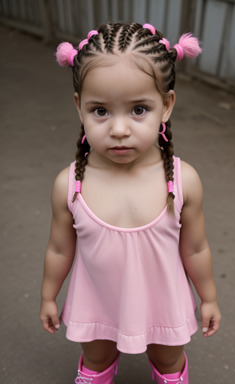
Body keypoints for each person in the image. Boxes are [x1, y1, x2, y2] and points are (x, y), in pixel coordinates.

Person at [40, 22, 221, 384]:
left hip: (162, 302)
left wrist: (209, 298)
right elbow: (60, 248)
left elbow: (196, 248)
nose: (119, 129)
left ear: (166, 106)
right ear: (80, 108)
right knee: (95, 357)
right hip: (97, 302)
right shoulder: (70, 184)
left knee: (169, 360)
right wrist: (48, 295)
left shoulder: (182, 181)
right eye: (101, 111)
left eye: (139, 109)